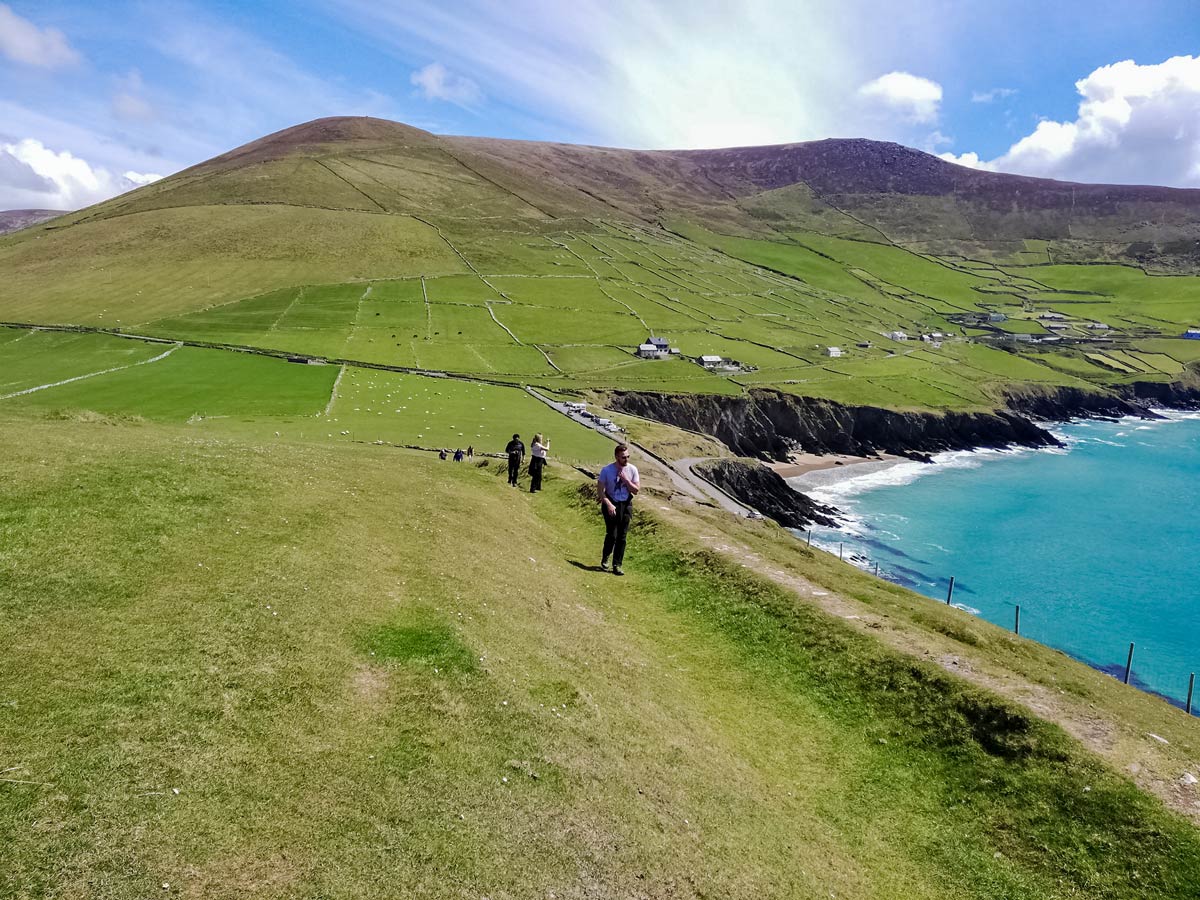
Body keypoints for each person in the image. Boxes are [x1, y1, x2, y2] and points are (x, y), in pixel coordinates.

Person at [596, 443, 639, 576]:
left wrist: (626, 480)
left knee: (622, 536)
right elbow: (600, 491)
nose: (626, 460)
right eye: (623, 457)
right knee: (612, 535)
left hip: (625, 504)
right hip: (611, 502)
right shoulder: (607, 470)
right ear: (616, 457)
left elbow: (636, 490)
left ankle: (617, 564)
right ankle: (605, 558)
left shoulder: (632, 470)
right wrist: (608, 504)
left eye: (628, 456)